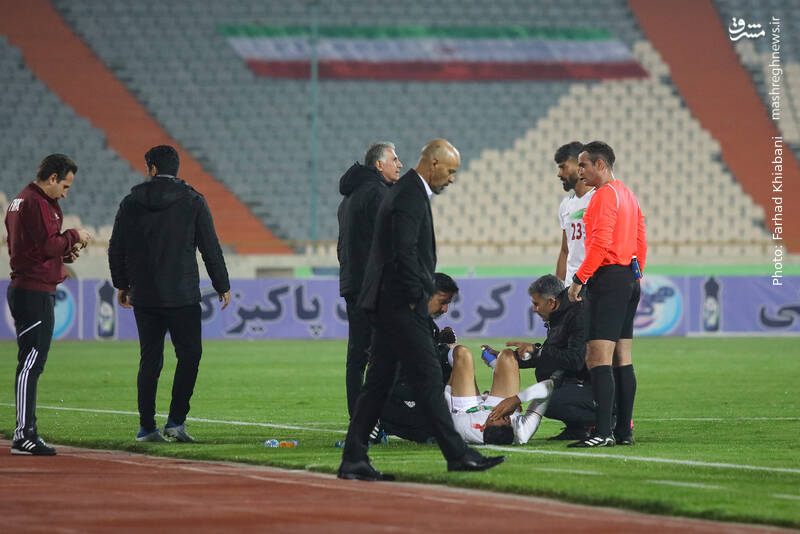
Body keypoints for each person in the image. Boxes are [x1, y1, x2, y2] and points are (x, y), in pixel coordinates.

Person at [338, 139, 504, 481]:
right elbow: (404, 251)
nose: (452, 179)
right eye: (450, 171)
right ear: (433, 164)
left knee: (378, 384)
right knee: (428, 376)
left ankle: (353, 457)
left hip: (388, 302)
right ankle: (457, 454)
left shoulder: (405, 191)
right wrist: (417, 298)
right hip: (400, 304)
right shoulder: (409, 194)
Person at [108, 145, 230, 443]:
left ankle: (146, 427)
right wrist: (222, 284)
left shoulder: (130, 202)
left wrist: (122, 284)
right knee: (190, 356)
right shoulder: (193, 200)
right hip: (182, 294)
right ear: (176, 169)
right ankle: (176, 421)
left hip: (145, 294)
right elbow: (210, 247)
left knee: (150, 359)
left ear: (151, 168)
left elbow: (116, 247)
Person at [5, 154, 91, 455]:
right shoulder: (37, 202)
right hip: (34, 290)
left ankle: (26, 431)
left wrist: (62, 254)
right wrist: (74, 235)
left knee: (31, 361)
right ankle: (23, 434)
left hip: (28, 287)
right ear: (53, 178)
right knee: (31, 362)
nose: (65, 194)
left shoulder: (20, 200)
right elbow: (47, 244)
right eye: (65, 186)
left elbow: (32, 246)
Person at [567, 141, 647, 448]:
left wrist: (579, 280)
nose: (580, 170)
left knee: (597, 356)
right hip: (628, 278)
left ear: (600, 165)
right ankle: (623, 431)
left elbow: (600, 244)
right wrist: (634, 277)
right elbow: (641, 240)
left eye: (584, 164)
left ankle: (602, 432)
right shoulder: (627, 194)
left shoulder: (602, 196)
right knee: (622, 357)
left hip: (608, 278)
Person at [337, 142, 403, 418]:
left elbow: (343, 246)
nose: (399, 164)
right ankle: (384, 420)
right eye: (394, 159)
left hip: (354, 284)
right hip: (376, 288)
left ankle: (360, 421)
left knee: (357, 357)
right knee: (390, 353)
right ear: (379, 164)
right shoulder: (378, 193)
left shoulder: (348, 199)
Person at [491, 274, 595, 441]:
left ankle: (605, 421)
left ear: (551, 302)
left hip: (594, 387)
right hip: (580, 383)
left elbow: (576, 360)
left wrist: (538, 350)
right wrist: (507, 359)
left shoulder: (577, 315)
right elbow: (550, 355)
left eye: (536, 304)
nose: (534, 309)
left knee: (550, 401)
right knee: (548, 379)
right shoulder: (560, 316)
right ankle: (578, 429)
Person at [379, 272, 459, 443]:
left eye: (448, 303)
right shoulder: (403, 321)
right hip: (398, 397)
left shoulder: (428, 325)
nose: (445, 309)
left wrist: (442, 345)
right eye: (442, 302)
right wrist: (448, 350)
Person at [447, 346, 555, 446]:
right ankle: (495, 365)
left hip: (467, 408)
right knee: (508, 355)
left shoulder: (462, 428)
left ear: (483, 426)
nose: (499, 413)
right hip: (502, 401)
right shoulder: (522, 432)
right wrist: (517, 399)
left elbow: (444, 404)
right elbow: (548, 385)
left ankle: (448, 349)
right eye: (506, 419)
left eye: (493, 417)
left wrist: (452, 379)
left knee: (461, 352)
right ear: (511, 428)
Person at [554, 142, 594, 287]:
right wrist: (558, 290)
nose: (559, 174)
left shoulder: (600, 199)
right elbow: (565, 251)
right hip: (571, 286)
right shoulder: (565, 205)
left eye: (563, 167)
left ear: (579, 166)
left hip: (595, 285)